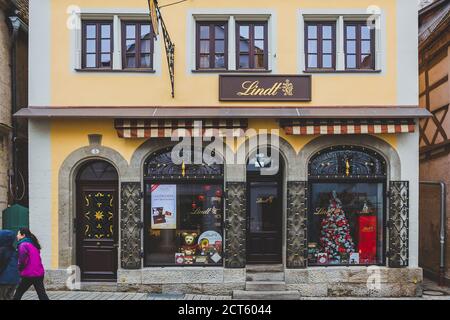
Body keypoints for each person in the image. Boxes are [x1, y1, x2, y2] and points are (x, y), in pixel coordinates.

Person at [13, 228, 49, 300]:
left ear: (23, 235)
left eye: (18, 234)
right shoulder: (33, 243)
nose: (17, 236)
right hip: (39, 272)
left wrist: (19, 268)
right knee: (42, 294)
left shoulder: (23, 245)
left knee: (19, 292)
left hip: (29, 274)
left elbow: (22, 259)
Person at [0, 230, 20, 300]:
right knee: (9, 297)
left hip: (4, 280)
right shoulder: (13, 250)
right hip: (14, 280)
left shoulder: (2, 250)